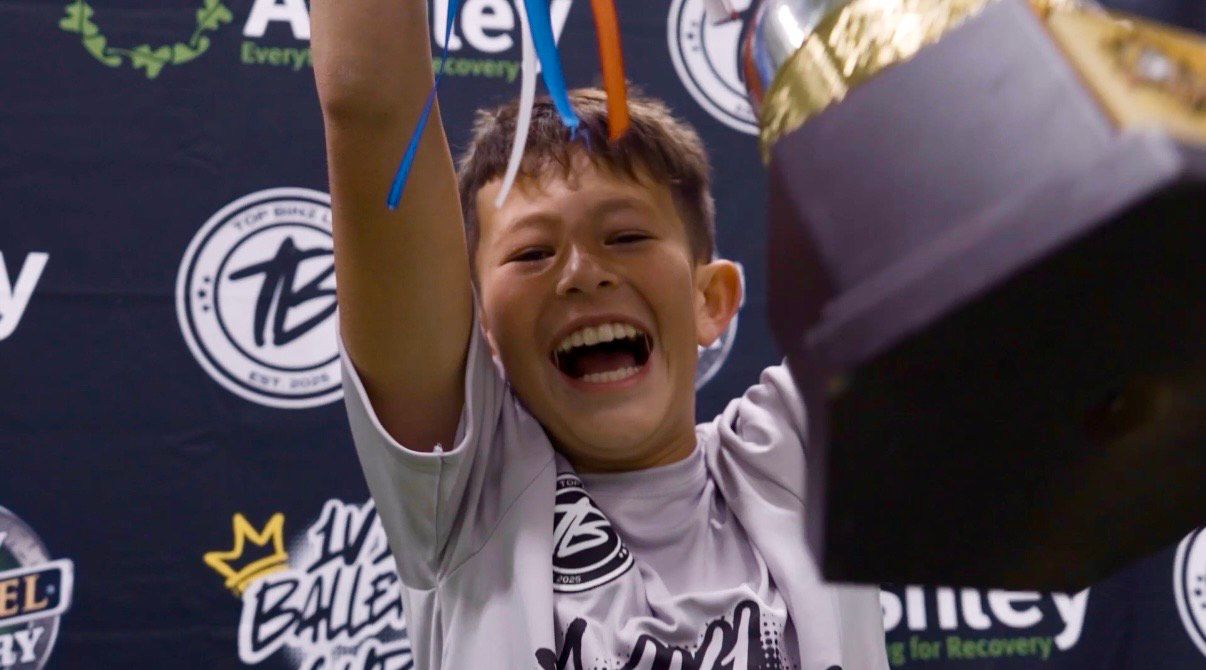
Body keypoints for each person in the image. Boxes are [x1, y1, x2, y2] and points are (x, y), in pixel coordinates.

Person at [310, 0, 889, 667]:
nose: (583, 275)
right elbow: (368, 102)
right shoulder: (469, 500)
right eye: (532, 254)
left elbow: (955, 180)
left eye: (626, 236)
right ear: (482, 331)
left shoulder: (800, 458)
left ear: (711, 299)